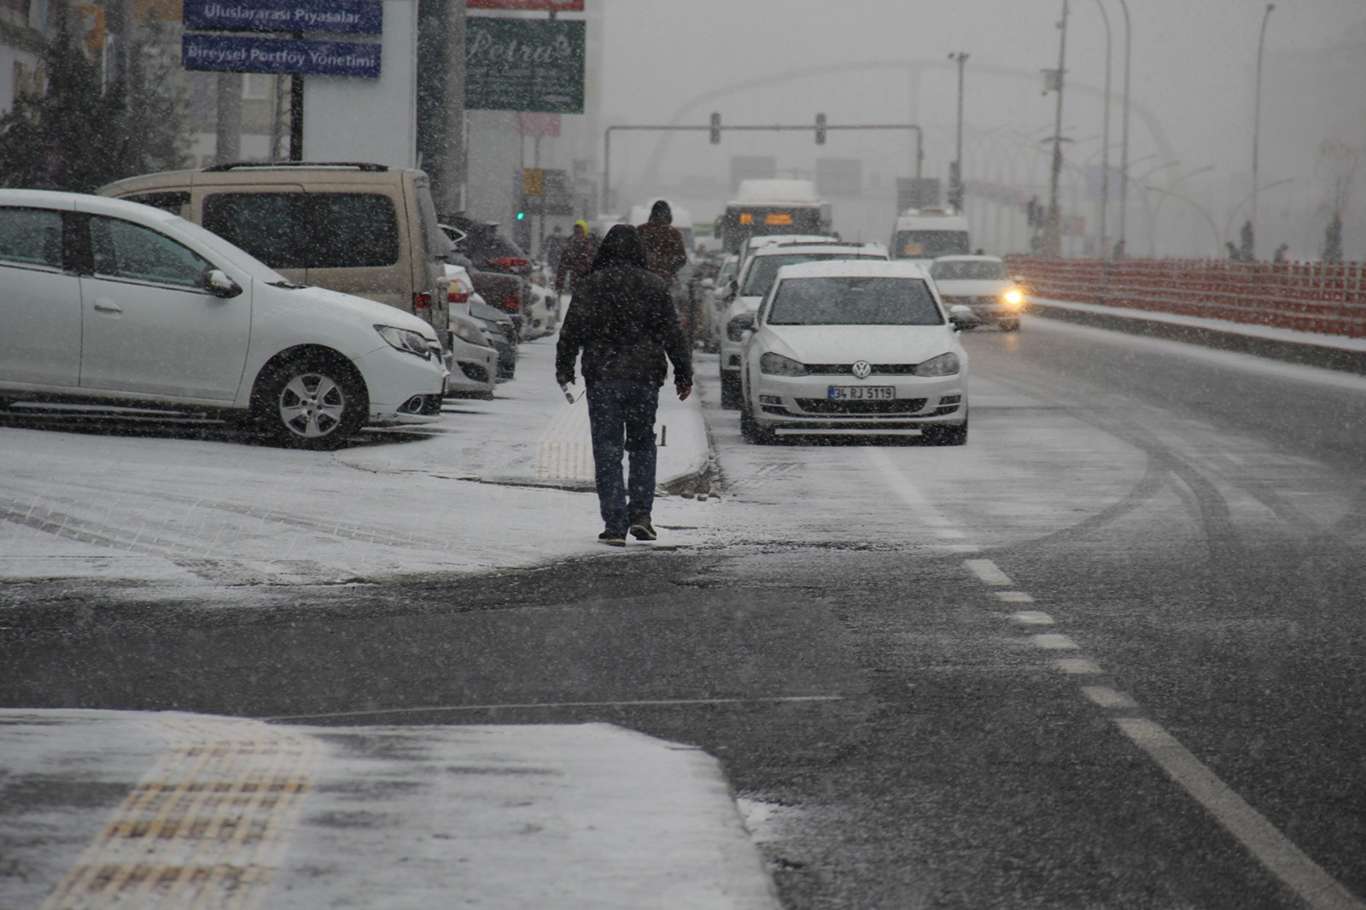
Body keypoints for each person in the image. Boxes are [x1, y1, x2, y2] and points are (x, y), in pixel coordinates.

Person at [556, 225, 693, 546]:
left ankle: (615, 523)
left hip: (603, 377)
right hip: (644, 378)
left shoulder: (591, 285)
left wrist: (564, 368)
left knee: (607, 449)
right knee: (643, 445)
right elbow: (673, 333)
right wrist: (683, 373)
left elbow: (571, 330)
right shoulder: (655, 286)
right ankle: (642, 515)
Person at [637, 200, 688, 283]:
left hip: (643, 278)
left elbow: (633, 254)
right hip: (665, 280)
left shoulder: (641, 230)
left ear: (652, 214)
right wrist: (669, 270)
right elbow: (682, 258)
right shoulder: (673, 233)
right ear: (668, 214)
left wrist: (642, 268)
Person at [555, 220, 596, 297]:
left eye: (580, 232)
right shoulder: (569, 246)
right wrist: (559, 286)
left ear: (585, 232)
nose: (578, 235)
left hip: (590, 285)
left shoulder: (592, 245)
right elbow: (562, 267)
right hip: (576, 284)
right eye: (576, 232)